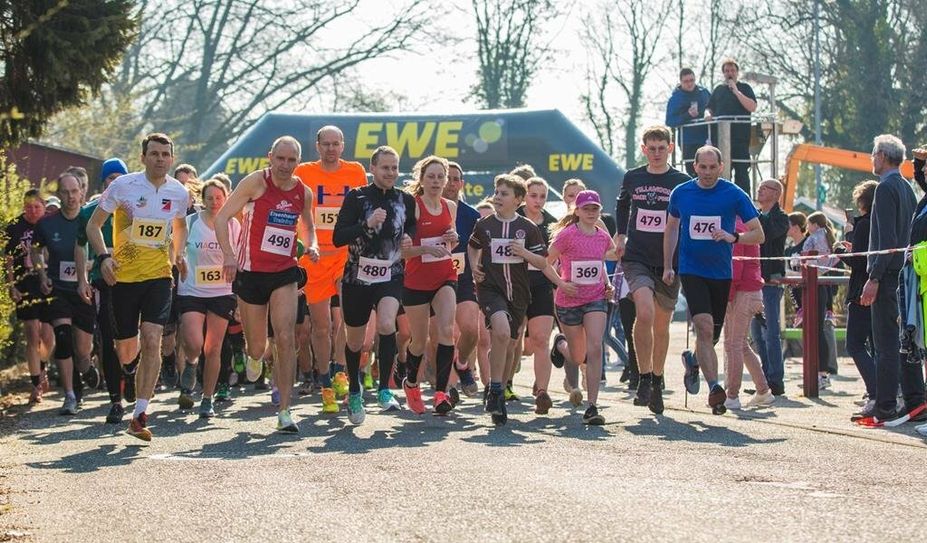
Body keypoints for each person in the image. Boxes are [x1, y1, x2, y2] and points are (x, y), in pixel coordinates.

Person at [87, 133, 191, 440]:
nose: (160, 158)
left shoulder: (179, 191)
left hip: (159, 276)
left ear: (172, 159)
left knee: (152, 337)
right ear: (143, 157)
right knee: (126, 350)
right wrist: (104, 257)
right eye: (154, 153)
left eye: (165, 154)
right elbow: (93, 226)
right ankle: (130, 371)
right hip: (123, 278)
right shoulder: (123, 187)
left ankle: (140, 415)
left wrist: (180, 253)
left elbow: (180, 226)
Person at [215, 135, 319, 433]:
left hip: (284, 271)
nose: (285, 165)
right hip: (251, 272)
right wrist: (229, 256)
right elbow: (222, 219)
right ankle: (254, 357)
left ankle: (285, 410)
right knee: (258, 347)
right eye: (280, 159)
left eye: (291, 160)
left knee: (286, 338)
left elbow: (309, 228)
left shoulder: (304, 192)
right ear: (270, 156)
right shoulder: (255, 183)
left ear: (298, 162)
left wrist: (312, 246)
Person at [662, 145, 764, 415]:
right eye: (702, 167)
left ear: (721, 167)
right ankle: (714, 389)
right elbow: (671, 227)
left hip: (721, 273)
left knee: (712, 336)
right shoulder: (681, 193)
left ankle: (694, 361)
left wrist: (735, 237)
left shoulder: (733, 194)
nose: (707, 172)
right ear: (694, 167)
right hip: (691, 270)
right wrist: (667, 265)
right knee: (704, 328)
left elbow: (759, 233)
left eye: (712, 167)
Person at [468, 174, 574, 425]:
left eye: (504, 193)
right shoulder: (484, 225)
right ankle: (495, 389)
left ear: (517, 199)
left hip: (519, 293)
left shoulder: (528, 228)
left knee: (510, 343)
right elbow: (473, 246)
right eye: (496, 192)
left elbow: (541, 261)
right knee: (502, 334)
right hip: (491, 289)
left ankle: (499, 390)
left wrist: (523, 252)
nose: (497, 197)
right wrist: (474, 266)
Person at [333, 145, 415, 425]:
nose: (391, 173)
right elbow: (337, 237)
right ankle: (355, 390)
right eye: (385, 167)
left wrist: (409, 239)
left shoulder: (406, 200)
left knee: (386, 324)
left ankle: (384, 389)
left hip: (390, 275)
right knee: (355, 341)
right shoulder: (356, 198)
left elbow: (412, 226)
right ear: (373, 168)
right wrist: (366, 224)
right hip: (357, 278)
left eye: (394, 167)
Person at [614, 125, 690, 414]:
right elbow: (622, 206)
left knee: (661, 324)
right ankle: (643, 375)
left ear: (670, 148)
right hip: (637, 257)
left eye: (662, 147)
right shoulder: (633, 177)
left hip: (669, 260)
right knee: (643, 311)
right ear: (644, 149)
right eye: (651, 148)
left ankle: (657, 379)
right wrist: (621, 235)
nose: (656, 153)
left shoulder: (681, 181)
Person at [293, 126, 368, 413]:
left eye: (336, 144)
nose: (331, 149)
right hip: (315, 257)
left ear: (343, 145)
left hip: (346, 254)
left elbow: (363, 207)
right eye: (326, 144)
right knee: (321, 326)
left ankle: (340, 370)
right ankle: (324, 382)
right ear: (317, 146)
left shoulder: (355, 171)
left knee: (348, 319)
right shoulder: (304, 171)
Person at [861, 134, 925, 424]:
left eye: (874, 154)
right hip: (904, 275)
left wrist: (873, 276)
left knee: (885, 343)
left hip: (887, 276)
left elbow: (885, 237)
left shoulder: (885, 189)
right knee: (904, 341)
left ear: (882, 156)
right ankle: (915, 400)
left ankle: (885, 405)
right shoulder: (907, 188)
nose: (872, 159)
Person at [32, 173, 98, 416]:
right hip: (59, 288)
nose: (71, 197)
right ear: (59, 195)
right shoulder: (47, 224)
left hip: (85, 292)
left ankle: (86, 366)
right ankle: (69, 395)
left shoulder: (92, 219)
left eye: (74, 191)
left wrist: (93, 265)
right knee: (62, 338)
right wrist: (42, 275)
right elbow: (36, 250)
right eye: (65, 192)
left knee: (82, 350)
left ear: (82, 191)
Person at [548, 190, 615, 424]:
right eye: (586, 208)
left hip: (595, 298)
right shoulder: (567, 235)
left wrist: (607, 285)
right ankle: (560, 344)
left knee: (595, 346)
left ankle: (592, 406)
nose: (591, 212)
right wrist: (561, 284)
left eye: (595, 208)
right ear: (576, 211)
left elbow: (600, 265)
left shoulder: (603, 237)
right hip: (569, 301)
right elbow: (546, 263)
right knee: (578, 356)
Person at [400, 155, 459, 414]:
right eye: (430, 177)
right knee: (419, 341)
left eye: (440, 177)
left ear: (446, 180)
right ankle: (411, 383)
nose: (436, 181)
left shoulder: (450, 206)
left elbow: (451, 241)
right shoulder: (413, 206)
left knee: (446, 330)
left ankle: (440, 393)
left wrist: (453, 238)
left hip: (445, 275)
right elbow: (402, 252)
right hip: (416, 280)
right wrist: (424, 248)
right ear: (421, 179)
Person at [176, 180, 241, 418]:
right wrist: (179, 258)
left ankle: (207, 398)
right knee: (194, 343)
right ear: (203, 199)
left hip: (221, 292)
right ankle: (192, 363)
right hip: (192, 289)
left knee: (213, 347)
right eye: (210, 198)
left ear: (226, 198)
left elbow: (239, 259)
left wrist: (239, 295)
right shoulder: (191, 222)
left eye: (219, 198)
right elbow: (178, 249)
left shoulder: (233, 225)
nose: (215, 202)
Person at [75, 158, 131, 423]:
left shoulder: (136, 209)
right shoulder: (89, 211)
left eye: (120, 178)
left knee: (131, 337)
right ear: (104, 183)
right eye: (110, 179)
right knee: (108, 341)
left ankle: (131, 371)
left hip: (134, 280)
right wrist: (82, 279)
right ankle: (115, 401)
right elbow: (79, 245)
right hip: (102, 282)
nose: (115, 183)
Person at [4, 189, 53, 403]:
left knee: (48, 337)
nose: (32, 211)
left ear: (43, 206)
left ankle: (43, 367)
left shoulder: (51, 224)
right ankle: (36, 384)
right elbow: (8, 260)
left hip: (49, 286)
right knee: (32, 334)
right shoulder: (14, 227)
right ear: (24, 207)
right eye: (28, 207)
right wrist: (11, 286)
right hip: (25, 285)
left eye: (37, 207)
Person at [515, 176, 559, 414]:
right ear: (524, 196)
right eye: (534, 195)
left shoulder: (552, 224)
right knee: (514, 340)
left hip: (541, 285)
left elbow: (552, 260)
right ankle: (501, 386)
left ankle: (542, 392)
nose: (538, 200)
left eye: (543, 196)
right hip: (514, 285)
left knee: (541, 340)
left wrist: (559, 282)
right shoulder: (513, 219)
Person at [723, 218, 774, 409]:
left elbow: (735, 268)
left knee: (734, 344)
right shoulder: (746, 227)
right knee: (740, 344)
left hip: (741, 291)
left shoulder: (734, 228)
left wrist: (726, 297)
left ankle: (732, 396)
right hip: (751, 290)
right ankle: (763, 391)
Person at [838, 180, 877, 419]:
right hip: (879, 289)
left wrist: (841, 250)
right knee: (877, 345)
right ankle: (879, 390)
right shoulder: (880, 223)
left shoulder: (862, 225)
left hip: (861, 291)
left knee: (854, 344)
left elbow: (858, 260)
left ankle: (875, 392)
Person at [442, 161, 482, 397]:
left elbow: (479, 249)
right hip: (435, 278)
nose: (451, 183)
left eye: (456, 179)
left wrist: (478, 269)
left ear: (461, 184)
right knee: (444, 333)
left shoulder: (472, 215)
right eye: (447, 178)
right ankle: (446, 388)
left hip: (463, 278)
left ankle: (463, 363)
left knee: (470, 331)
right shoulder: (426, 209)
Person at [749, 179, 789, 396]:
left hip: (770, 282)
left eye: (764, 188)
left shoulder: (781, 218)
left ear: (776, 194)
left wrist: (754, 219)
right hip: (755, 279)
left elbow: (767, 233)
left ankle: (776, 380)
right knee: (756, 333)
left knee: (771, 332)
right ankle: (763, 380)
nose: (759, 190)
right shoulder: (756, 214)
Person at [706, 58, 757, 193]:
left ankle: (744, 206)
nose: (730, 73)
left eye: (733, 70)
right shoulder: (718, 90)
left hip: (740, 138)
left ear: (737, 72)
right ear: (723, 73)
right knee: (721, 172)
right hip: (721, 139)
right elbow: (709, 108)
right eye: (727, 71)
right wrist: (707, 114)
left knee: (742, 172)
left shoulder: (745, 88)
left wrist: (736, 91)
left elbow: (752, 107)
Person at [804, 212, 837, 390]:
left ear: (815, 224)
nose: (807, 228)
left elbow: (808, 260)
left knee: (815, 331)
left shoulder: (816, 238)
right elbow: (834, 259)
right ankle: (822, 373)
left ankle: (821, 374)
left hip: (815, 284)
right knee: (819, 330)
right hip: (824, 286)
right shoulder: (828, 237)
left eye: (808, 224)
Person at [665, 68, 711, 177]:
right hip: (688, 141)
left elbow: (714, 107)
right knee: (693, 171)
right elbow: (670, 121)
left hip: (707, 138)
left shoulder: (703, 93)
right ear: (680, 82)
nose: (690, 84)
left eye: (692, 80)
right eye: (686, 81)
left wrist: (709, 114)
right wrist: (687, 115)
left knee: (709, 170)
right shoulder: (676, 98)